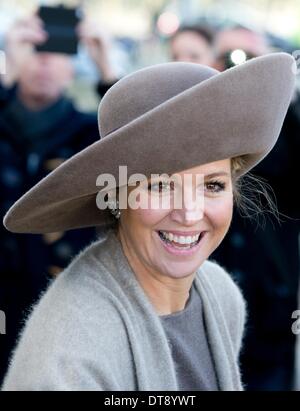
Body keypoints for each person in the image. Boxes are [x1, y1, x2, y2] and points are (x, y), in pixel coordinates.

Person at [1, 53, 295, 390]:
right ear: (115, 198)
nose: (189, 213)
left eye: (212, 185)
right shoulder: (72, 348)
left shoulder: (220, 293)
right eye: (160, 186)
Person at [0, 16, 99, 383]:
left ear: (74, 65)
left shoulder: (90, 132)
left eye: (58, 50)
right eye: (35, 49)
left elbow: (139, 145)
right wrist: (6, 76)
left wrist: (106, 66)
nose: (43, 60)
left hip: (63, 312)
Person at [211, 26, 300, 390]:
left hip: (268, 325)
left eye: (250, 60)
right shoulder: (188, 129)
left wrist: (284, 98)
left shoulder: (286, 130)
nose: (237, 66)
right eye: (227, 57)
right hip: (200, 313)